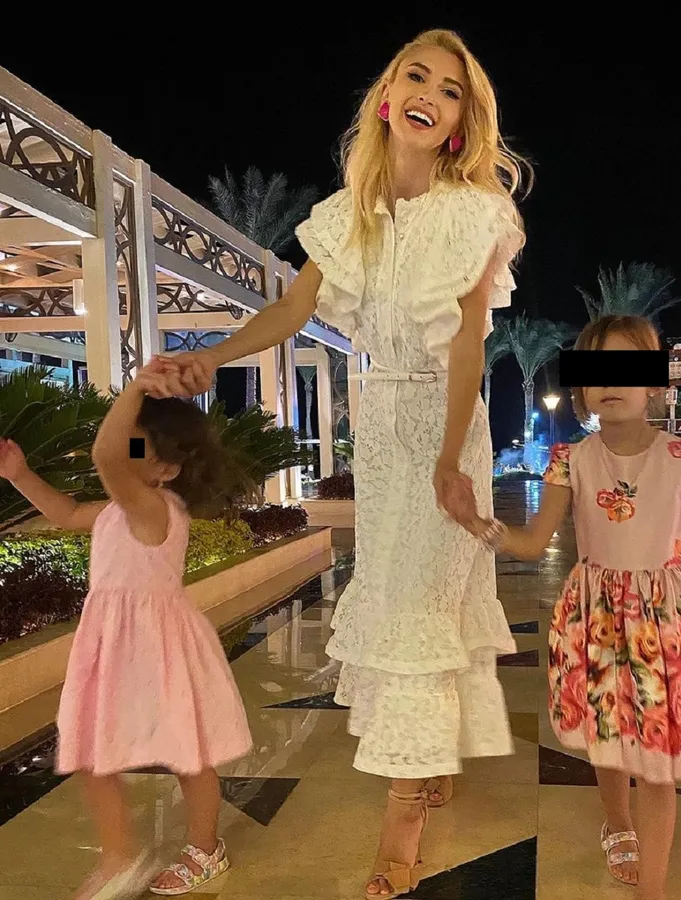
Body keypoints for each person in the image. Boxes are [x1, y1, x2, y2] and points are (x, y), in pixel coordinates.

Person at [152, 29, 528, 899]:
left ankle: (403, 820)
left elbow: (467, 342)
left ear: (462, 122)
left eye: (452, 89)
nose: (430, 93)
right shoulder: (345, 214)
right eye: (417, 76)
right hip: (383, 425)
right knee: (402, 596)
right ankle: (427, 758)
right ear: (388, 96)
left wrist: (450, 458)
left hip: (445, 422)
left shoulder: (475, 214)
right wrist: (212, 356)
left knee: (421, 605)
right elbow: (291, 311)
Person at [471, 316, 681, 900]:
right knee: (609, 729)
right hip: (595, 619)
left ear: (656, 381)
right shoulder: (570, 460)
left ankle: (653, 889)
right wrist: (481, 525)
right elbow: (533, 542)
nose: (609, 383)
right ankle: (617, 822)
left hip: (669, 622)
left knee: (659, 755)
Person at [0, 363, 252, 900]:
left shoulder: (152, 505)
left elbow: (106, 455)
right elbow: (67, 512)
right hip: (116, 645)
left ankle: (205, 848)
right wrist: (19, 475)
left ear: (167, 469)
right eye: (130, 445)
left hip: (156, 645)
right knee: (92, 752)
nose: (124, 453)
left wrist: (136, 388)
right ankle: (119, 855)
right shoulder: (120, 509)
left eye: (139, 447)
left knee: (188, 752)